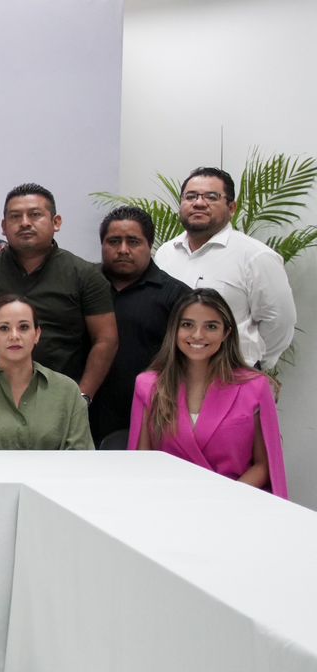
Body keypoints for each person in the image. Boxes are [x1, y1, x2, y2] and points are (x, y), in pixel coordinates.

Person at [0, 183, 117, 408]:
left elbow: (106, 340)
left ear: (56, 222)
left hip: (59, 403)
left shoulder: (84, 274)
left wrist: (83, 396)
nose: (25, 223)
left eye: (35, 215)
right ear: (3, 226)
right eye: (15, 216)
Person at [129, 289, 286, 497]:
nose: (197, 335)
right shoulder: (148, 385)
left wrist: (221, 498)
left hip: (234, 502)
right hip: (168, 500)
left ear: (226, 333)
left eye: (211, 326)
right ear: (174, 330)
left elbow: (264, 466)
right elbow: (142, 462)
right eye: (187, 325)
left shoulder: (255, 387)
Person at [153, 166, 297, 370]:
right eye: (191, 196)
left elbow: (279, 322)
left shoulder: (256, 256)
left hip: (232, 373)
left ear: (232, 208)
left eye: (211, 197)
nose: (199, 203)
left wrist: (251, 364)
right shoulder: (165, 253)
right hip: (174, 373)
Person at [90, 206, 189, 445]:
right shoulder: (84, 285)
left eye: (133, 241)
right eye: (114, 241)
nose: (123, 250)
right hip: (85, 412)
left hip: (149, 417)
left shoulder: (176, 296)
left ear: (150, 245)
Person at [0, 296, 95, 450]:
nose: (14, 336)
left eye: (23, 327)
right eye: (4, 328)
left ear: (37, 334)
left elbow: (80, 457)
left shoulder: (67, 391)